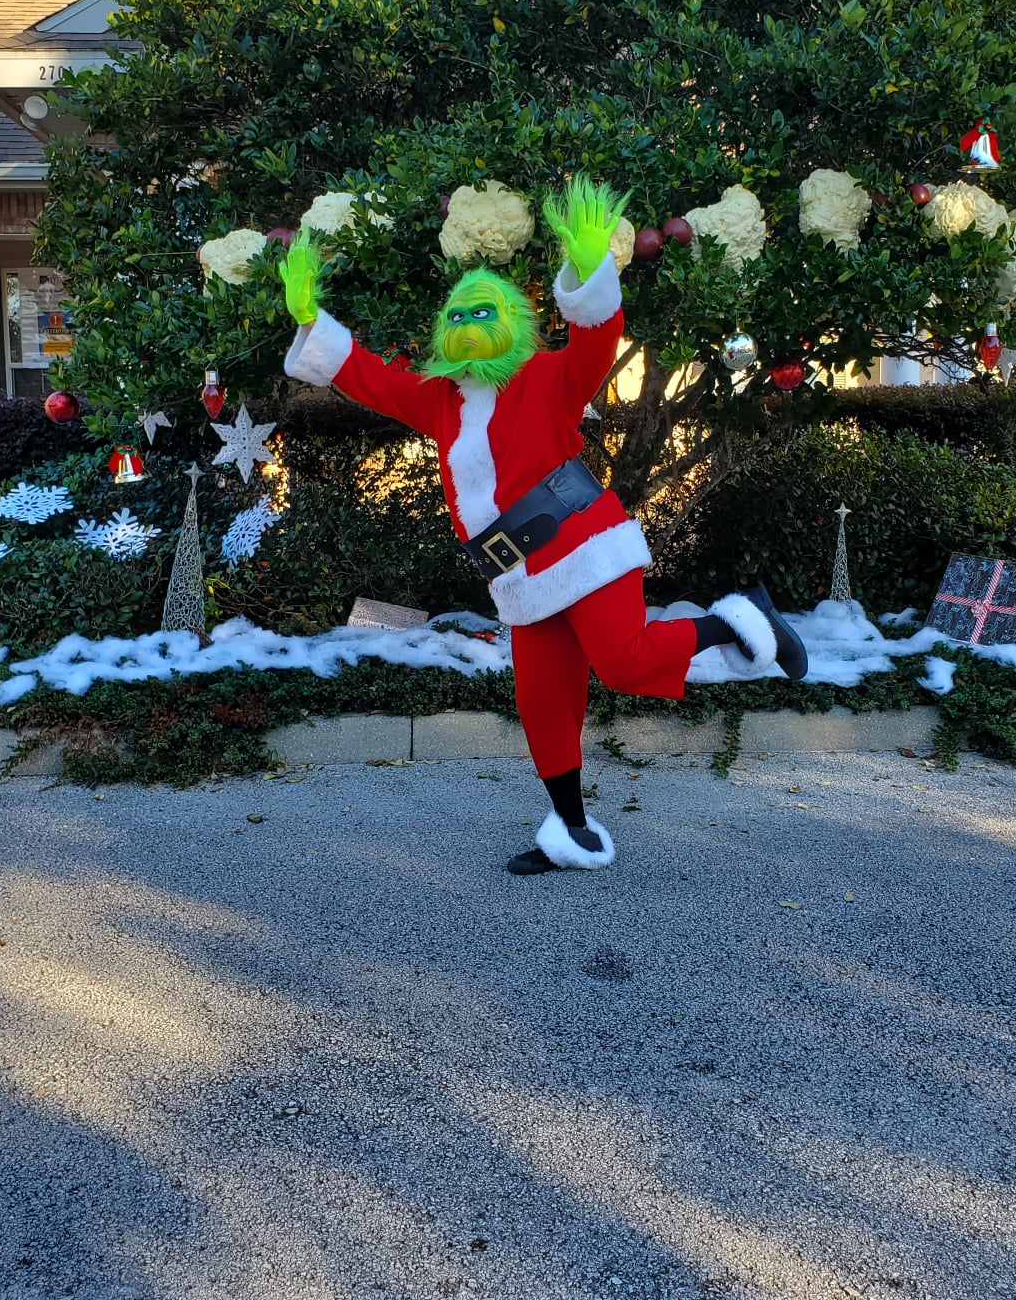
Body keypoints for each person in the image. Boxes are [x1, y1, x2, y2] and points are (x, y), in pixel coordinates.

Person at [277, 179, 805, 875]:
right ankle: (571, 831)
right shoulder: (439, 400)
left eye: (484, 310)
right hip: (519, 579)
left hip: (585, 548)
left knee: (626, 664)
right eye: (458, 313)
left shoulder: (547, 375)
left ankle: (742, 621)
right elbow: (369, 376)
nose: (469, 320)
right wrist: (312, 319)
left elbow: (595, 343)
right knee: (544, 705)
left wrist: (588, 273)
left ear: (512, 321)